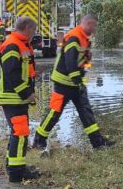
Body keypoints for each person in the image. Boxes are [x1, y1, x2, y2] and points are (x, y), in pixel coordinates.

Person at [32, 14, 114, 150]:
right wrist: (78, 79)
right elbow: (70, 62)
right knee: (54, 113)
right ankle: (38, 140)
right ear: (86, 23)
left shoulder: (85, 39)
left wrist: (83, 76)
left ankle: (98, 143)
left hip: (76, 84)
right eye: (93, 25)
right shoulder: (74, 37)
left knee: (86, 113)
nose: (94, 28)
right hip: (63, 83)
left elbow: (85, 61)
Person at [0, 16, 40, 183]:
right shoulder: (12, 45)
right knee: (20, 133)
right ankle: (16, 173)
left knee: (18, 133)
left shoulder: (21, 44)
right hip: (13, 99)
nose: (34, 33)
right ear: (27, 28)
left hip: (17, 99)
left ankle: (13, 166)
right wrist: (26, 94)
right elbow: (11, 74)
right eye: (34, 30)